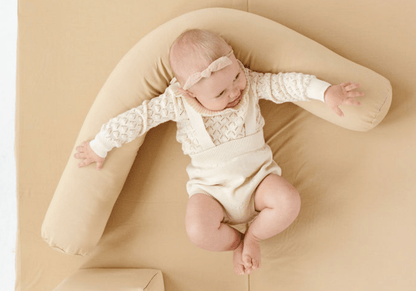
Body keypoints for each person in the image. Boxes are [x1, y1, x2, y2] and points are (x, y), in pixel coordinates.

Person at [74, 29, 364, 275]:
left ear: (236, 61)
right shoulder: (177, 102)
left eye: (235, 77)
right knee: (198, 231)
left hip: (259, 181)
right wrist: (100, 145)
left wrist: (324, 92)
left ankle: (253, 237)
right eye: (220, 93)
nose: (235, 92)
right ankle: (236, 242)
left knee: (288, 201)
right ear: (191, 93)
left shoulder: (250, 84)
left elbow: (284, 84)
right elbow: (139, 119)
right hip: (211, 192)